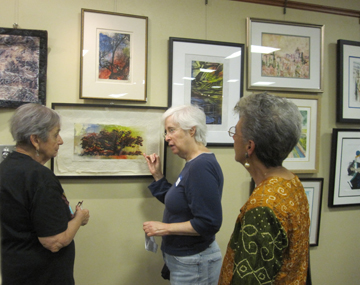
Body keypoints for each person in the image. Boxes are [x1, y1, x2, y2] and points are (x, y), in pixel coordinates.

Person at [218, 92, 310, 284]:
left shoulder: (262, 207)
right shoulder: (292, 183)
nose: (233, 137)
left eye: (235, 132)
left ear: (249, 147)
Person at [0, 103, 90, 285]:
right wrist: (79, 218)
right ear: (36, 140)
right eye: (55, 134)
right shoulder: (39, 176)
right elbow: (54, 242)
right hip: (42, 275)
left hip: (15, 270)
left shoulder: (6, 167)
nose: (61, 141)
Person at [143, 104, 224, 284]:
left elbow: (208, 223)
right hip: (187, 261)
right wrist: (157, 175)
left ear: (192, 130)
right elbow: (178, 202)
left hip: (196, 263)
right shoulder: (192, 163)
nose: (167, 138)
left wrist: (164, 228)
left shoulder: (201, 166)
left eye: (171, 130)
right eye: (166, 132)